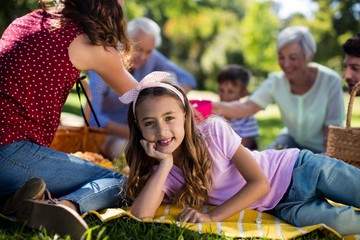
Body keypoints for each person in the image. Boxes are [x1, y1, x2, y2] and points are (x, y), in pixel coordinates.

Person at [119, 71, 360, 236]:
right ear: (139, 127)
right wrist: (164, 165)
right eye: (149, 123)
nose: (162, 131)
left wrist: (213, 217)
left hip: (300, 169)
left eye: (169, 118)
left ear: (185, 116)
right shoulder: (165, 171)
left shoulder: (213, 132)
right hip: (283, 207)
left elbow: (260, 184)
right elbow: (140, 215)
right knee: (344, 224)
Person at [0, 0, 138, 238]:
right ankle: (64, 207)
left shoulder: (27, 21)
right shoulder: (92, 46)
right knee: (123, 183)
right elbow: (144, 97)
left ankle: (18, 202)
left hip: (9, 153)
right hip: (8, 152)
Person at [212, 26, 345, 153]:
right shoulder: (276, 81)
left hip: (321, 148)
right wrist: (209, 107)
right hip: (291, 140)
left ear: (309, 56)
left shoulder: (330, 81)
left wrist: (325, 158)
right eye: (281, 57)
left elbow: (333, 131)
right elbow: (246, 107)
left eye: (293, 58)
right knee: (265, 160)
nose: (286, 64)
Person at [87, 17, 196, 160]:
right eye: (138, 49)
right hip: (110, 135)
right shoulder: (105, 61)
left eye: (148, 51)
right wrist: (131, 132)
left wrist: (170, 97)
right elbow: (92, 116)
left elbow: (188, 79)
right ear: (125, 40)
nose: (143, 56)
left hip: (145, 132)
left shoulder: (152, 58)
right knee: (128, 151)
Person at [217, 64, 259, 150]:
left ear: (244, 93)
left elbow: (243, 148)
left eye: (230, 92)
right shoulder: (215, 115)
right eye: (221, 90)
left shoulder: (247, 118)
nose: (224, 96)